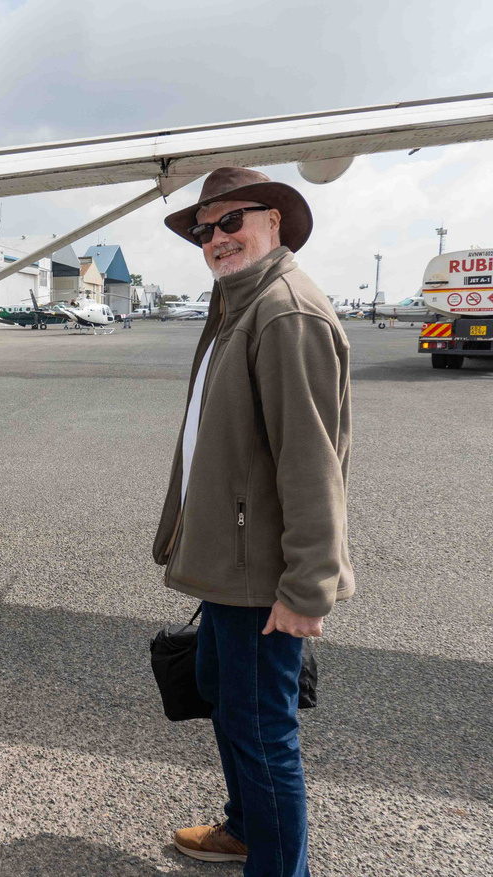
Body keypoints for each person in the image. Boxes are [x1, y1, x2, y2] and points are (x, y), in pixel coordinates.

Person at [152, 167, 353, 876]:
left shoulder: (283, 311)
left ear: (274, 220)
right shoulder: (238, 303)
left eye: (232, 222)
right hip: (227, 562)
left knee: (265, 731)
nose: (216, 239)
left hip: (261, 579)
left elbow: (310, 463)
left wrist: (306, 589)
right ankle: (245, 828)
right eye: (205, 230)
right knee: (226, 700)